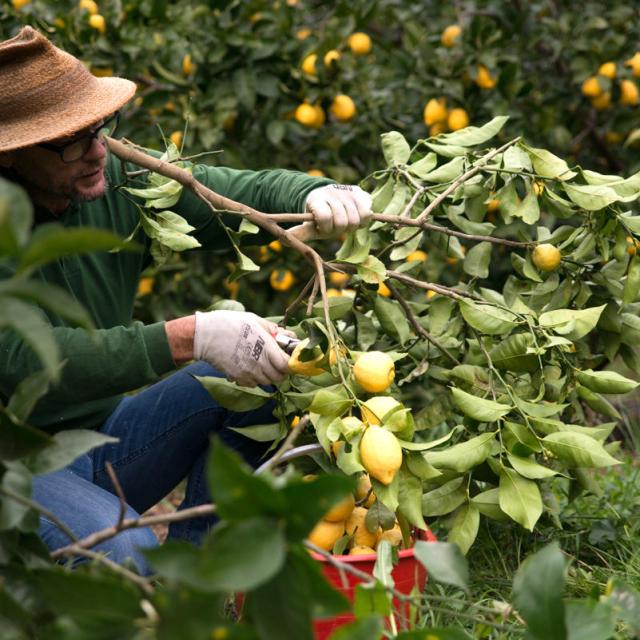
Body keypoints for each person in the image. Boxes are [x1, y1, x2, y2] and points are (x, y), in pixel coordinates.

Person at [0, 27, 372, 574]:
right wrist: (188, 336)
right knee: (123, 555)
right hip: (14, 470)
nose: (98, 151)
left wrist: (311, 193)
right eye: (72, 142)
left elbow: (223, 193)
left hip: (98, 443)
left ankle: (196, 576)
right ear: (12, 156)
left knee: (270, 376)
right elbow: (28, 362)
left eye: (100, 130)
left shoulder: (113, 177)